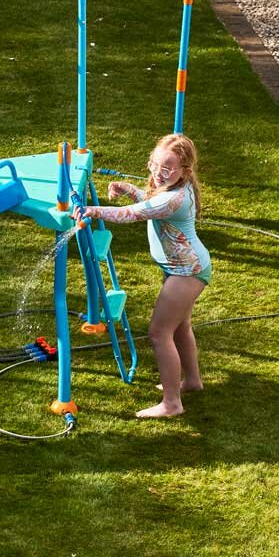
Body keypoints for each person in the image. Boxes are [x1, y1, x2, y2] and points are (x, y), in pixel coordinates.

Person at [75, 133, 211, 419]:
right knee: (180, 327)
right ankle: (192, 381)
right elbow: (151, 203)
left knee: (159, 333)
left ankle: (172, 404)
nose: (158, 173)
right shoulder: (175, 188)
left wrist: (92, 210)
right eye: (155, 164)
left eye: (167, 168)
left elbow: (133, 214)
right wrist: (129, 189)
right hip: (184, 268)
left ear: (184, 171)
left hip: (187, 271)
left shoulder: (175, 199)